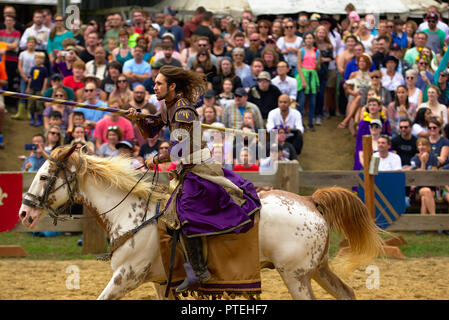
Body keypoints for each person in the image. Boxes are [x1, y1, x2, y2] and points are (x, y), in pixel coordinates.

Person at [126, 65, 261, 292]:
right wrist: (138, 119)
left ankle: (199, 272)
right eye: (155, 83)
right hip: (186, 169)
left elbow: (181, 147)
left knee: (184, 213)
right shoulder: (167, 106)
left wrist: (155, 160)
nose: (154, 87)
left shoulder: (183, 111)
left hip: (200, 168)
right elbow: (151, 132)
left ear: (172, 86)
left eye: (159, 84)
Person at [296, 31, 320, 130]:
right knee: (301, 102)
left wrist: (317, 63)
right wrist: (303, 80)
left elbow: (318, 67)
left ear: (313, 39)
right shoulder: (301, 51)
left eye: (311, 38)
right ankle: (300, 122)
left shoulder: (317, 51)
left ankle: (311, 122)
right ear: (304, 40)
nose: (309, 40)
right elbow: (298, 66)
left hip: (312, 75)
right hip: (303, 74)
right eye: (307, 38)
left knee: (312, 101)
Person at [410, 137, 438, 221]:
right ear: (417, 147)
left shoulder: (433, 158)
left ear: (428, 147)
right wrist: (423, 162)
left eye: (424, 145)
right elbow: (419, 178)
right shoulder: (414, 159)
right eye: (419, 145)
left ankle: (422, 225)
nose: (421, 147)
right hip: (418, 190)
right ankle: (436, 221)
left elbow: (434, 176)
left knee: (425, 197)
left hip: (431, 188)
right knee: (426, 191)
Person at [14, 36, 37, 120]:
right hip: (23, 76)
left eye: (33, 42)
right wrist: (23, 76)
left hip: (33, 77)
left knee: (30, 93)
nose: (31, 44)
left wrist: (31, 78)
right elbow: (19, 66)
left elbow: (36, 67)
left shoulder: (36, 54)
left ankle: (29, 112)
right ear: (27, 44)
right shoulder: (22, 53)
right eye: (29, 42)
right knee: (22, 92)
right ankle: (20, 113)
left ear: (35, 44)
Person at [26, 52, 48, 127]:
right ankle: (32, 118)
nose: (39, 60)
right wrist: (28, 87)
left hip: (39, 89)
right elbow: (30, 78)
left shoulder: (44, 69)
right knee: (31, 104)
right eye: (37, 58)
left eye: (41, 58)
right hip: (32, 88)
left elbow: (45, 79)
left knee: (39, 105)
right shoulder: (33, 68)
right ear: (35, 59)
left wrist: (43, 89)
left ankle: (39, 119)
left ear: (43, 60)